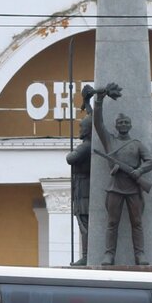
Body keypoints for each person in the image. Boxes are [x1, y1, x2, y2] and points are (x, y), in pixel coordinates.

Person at [92, 85, 152, 266]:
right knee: (112, 223)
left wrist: (139, 171)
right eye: (120, 123)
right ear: (116, 126)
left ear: (131, 125)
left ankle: (140, 255)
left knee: (137, 223)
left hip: (133, 187)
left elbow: (151, 160)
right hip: (115, 187)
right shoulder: (110, 140)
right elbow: (98, 123)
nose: (123, 125)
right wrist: (99, 100)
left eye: (126, 123)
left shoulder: (137, 144)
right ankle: (108, 255)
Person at [65, 90, 94, 265]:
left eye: (82, 126)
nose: (80, 129)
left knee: (85, 225)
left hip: (84, 190)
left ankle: (87, 255)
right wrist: (88, 104)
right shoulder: (96, 143)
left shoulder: (85, 147)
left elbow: (70, 158)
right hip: (86, 188)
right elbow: (94, 119)